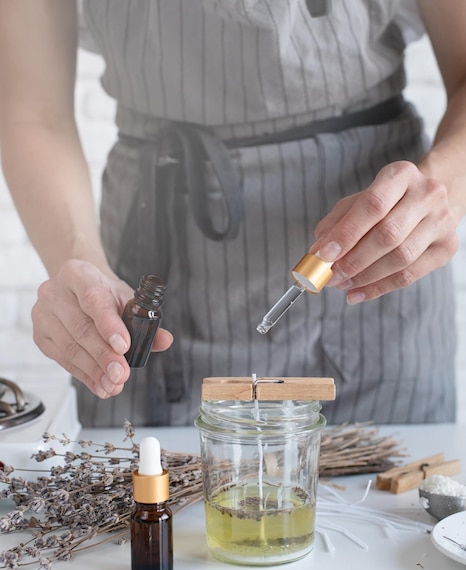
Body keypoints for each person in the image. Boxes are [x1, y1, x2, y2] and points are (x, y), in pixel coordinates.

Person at [0, 1, 464, 427]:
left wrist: (443, 181)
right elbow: (32, 109)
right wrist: (78, 262)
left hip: (378, 254)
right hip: (158, 242)